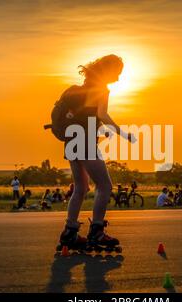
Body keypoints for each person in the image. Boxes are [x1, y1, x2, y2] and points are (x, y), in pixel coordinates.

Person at [57, 55, 135, 250]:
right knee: (105, 186)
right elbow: (101, 114)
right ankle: (97, 232)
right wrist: (121, 132)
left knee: (81, 188)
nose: (118, 78)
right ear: (108, 71)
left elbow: (86, 115)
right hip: (84, 141)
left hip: (71, 141)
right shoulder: (101, 89)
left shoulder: (81, 89)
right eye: (117, 73)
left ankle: (69, 233)